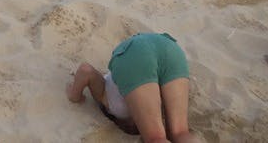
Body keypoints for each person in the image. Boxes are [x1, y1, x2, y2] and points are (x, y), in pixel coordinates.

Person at [67, 33, 198, 141]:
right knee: (180, 132)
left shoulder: (105, 99)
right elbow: (87, 71)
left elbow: (85, 70)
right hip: (168, 47)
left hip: (136, 54)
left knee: (156, 137)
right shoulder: (123, 89)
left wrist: (74, 95)